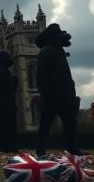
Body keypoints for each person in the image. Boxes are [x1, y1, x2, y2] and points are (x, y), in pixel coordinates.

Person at [35, 23, 82, 156]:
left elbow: (65, 74)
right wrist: (44, 93)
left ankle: (72, 148)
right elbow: (41, 75)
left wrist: (71, 91)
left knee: (69, 124)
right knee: (46, 124)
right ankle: (40, 149)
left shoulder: (58, 51)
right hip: (52, 95)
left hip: (65, 94)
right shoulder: (47, 51)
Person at [0, 50, 18, 152]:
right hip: (5, 105)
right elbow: (9, 89)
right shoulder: (3, 72)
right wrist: (14, 80)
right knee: (7, 128)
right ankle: (8, 147)